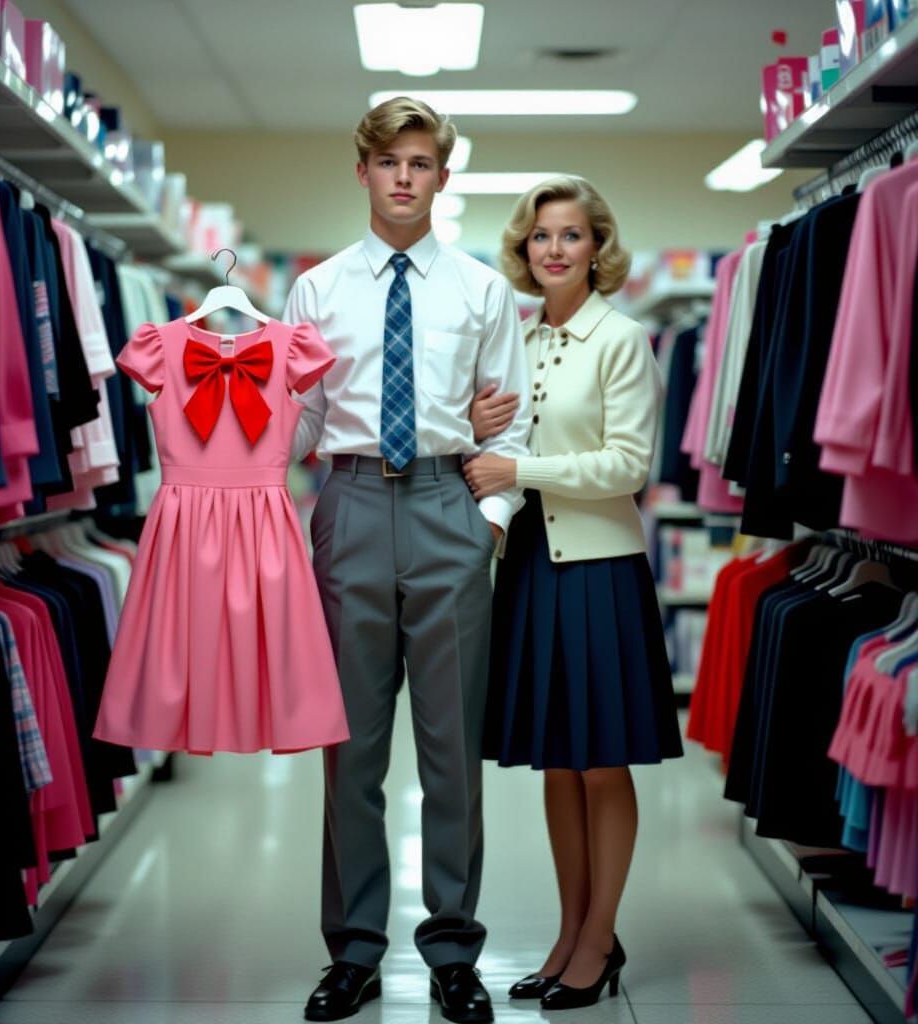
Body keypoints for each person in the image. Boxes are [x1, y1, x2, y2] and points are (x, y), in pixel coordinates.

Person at [284, 97, 532, 1023]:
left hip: (446, 505)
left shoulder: (480, 291)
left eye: (421, 163)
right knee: (349, 750)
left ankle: (453, 951)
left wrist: (492, 522)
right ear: (362, 171)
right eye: (388, 161)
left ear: (442, 176)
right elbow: (303, 419)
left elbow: (514, 416)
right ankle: (351, 952)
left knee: (450, 752)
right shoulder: (315, 290)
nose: (402, 177)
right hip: (348, 504)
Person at [464, 175, 683, 1011]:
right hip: (529, 565)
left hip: (598, 568)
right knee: (557, 760)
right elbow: (489, 436)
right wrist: (482, 431)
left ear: (598, 248)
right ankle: (570, 929)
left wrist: (522, 467)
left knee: (600, 761)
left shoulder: (622, 339)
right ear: (525, 251)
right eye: (540, 237)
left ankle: (601, 937)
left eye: (572, 235)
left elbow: (628, 466)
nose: (554, 249)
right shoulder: (516, 339)